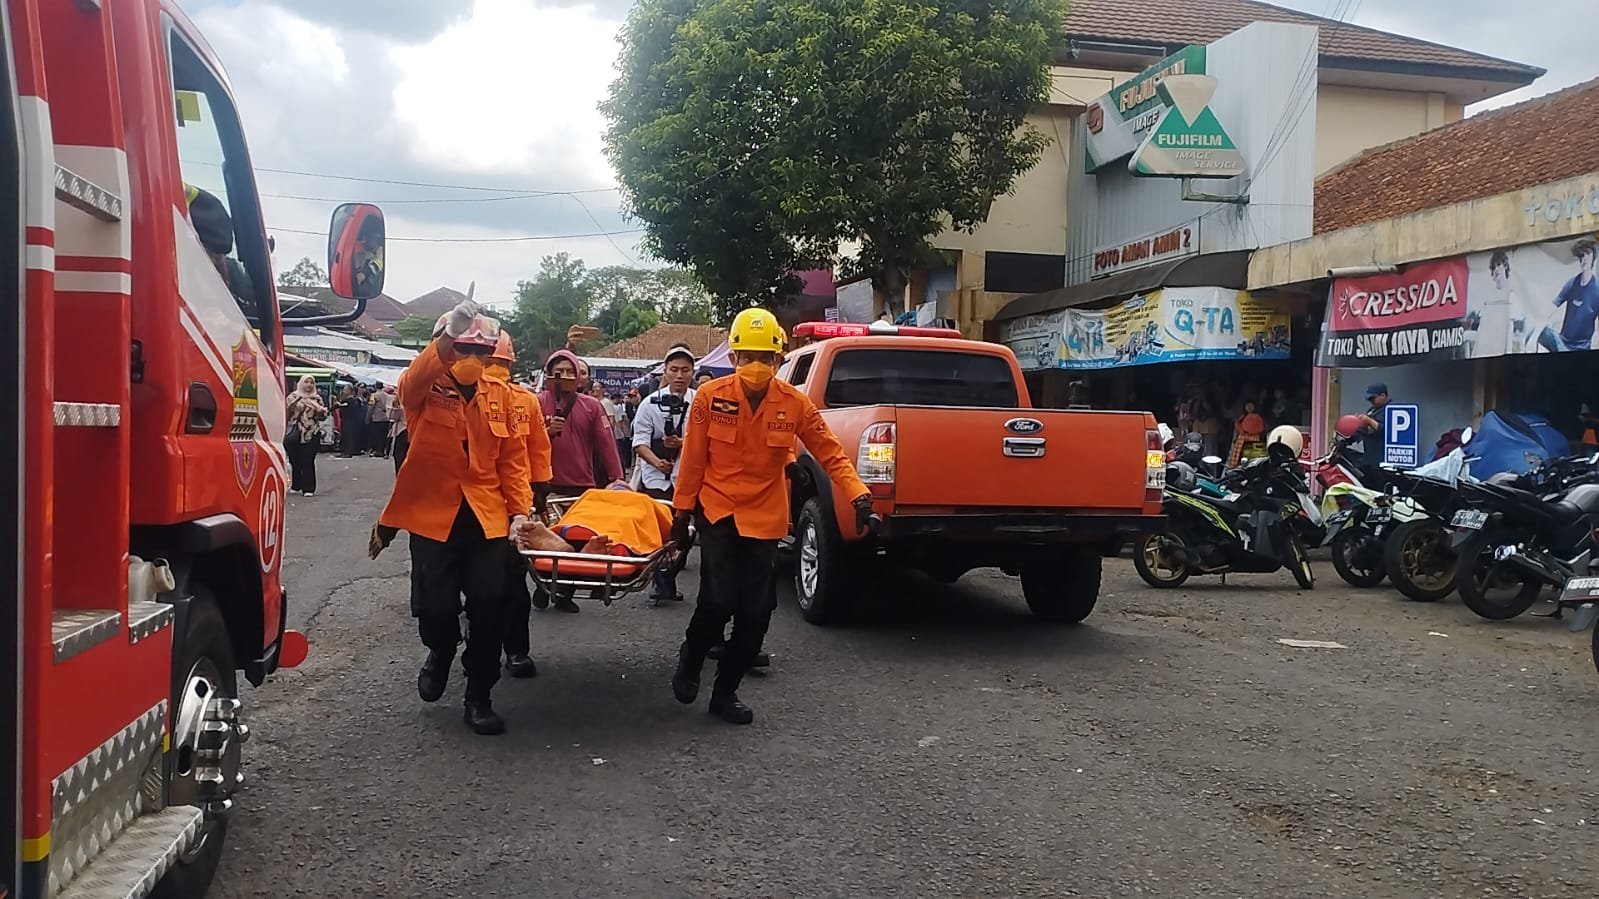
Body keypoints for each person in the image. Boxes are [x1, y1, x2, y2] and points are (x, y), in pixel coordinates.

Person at [669, 308, 880, 725]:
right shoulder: (710, 398)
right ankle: (691, 658)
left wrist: (860, 497)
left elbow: (830, 452)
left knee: (757, 610)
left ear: (779, 361)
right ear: (732, 358)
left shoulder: (795, 403)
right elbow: (693, 460)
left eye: (765, 358)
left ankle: (725, 692)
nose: (756, 366)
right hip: (719, 511)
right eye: (747, 357)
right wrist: (681, 515)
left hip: (764, 516)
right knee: (717, 599)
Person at [375, 301, 532, 736]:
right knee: (436, 608)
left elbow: (513, 462)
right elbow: (408, 385)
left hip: (486, 518)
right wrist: (448, 334)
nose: (472, 359)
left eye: (480, 352)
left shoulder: (501, 396)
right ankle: (440, 651)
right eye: (463, 349)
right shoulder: (426, 387)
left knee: (489, 606)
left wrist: (520, 513)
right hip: (432, 515)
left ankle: (479, 695)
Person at [536, 348, 625, 613]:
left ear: (579, 377)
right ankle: (543, 586)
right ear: (548, 375)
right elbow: (523, 442)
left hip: (581, 486)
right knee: (543, 542)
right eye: (557, 371)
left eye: (569, 371)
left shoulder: (592, 406)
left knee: (574, 543)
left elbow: (607, 445)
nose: (563, 376)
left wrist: (617, 479)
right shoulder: (535, 403)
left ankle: (563, 592)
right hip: (544, 486)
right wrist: (546, 433)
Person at [486, 331, 554, 679]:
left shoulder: (522, 401)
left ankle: (507, 649)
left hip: (505, 504)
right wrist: (539, 489)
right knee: (509, 583)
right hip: (505, 504)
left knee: (503, 583)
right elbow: (539, 452)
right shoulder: (522, 399)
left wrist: (537, 490)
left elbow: (536, 449)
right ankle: (513, 651)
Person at [632, 343, 698, 605]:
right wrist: (658, 462)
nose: (680, 375)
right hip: (656, 476)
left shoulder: (701, 401)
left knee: (685, 532)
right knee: (662, 529)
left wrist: (683, 444)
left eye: (685, 370)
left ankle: (668, 573)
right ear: (665, 372)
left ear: (692, 372)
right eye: (674, 370)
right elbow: (639, 442)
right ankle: (660, 580)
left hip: (688, 475)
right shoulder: (649, 404)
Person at [1537, 239, 1599, 352]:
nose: (1584, 259)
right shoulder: (1572, 283)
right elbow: (1552, 307)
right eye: (1581, 256)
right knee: (1535, 328)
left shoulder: (1597, 289)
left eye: (1587, 255)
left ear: (1593, 257)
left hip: (1581, 350)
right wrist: (1537, 329)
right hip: (1561, 343)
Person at [285, 375, 327, 496]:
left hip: (311, 432)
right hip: (294, 432)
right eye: (306, 382)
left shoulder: (317, 399)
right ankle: (296, 485)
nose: (309, 385)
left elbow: (322, 417)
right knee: (294, 460)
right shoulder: (293, 397)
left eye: (311, 382)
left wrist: (321, 412)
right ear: (301, 383)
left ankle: (308, 488)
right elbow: (287, 413)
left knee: (308, 460)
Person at [367, 383, 394, 458]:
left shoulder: (373, 395)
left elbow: (371, 407)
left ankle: (378, 451)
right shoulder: (387, 396)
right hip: (385, 418)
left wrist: (368, 417)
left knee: (376, 435)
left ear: (375, 387)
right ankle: (383, 450)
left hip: (377, 418)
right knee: (384, 435)